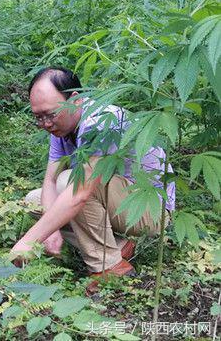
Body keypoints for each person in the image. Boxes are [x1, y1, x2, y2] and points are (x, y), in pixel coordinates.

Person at [11, 67, 175, 291]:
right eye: (38, 117)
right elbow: (49, 181)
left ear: (75, 100)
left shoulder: (101, 120)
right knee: (34, 199)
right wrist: (50, 231)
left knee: (71, 182)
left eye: (50, 114)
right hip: (118, 201)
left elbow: (80, 193)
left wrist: (29, 241)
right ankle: (119, 246)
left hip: (151, 209)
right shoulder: (62, 128)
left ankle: (109, 266)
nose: (45, 124)